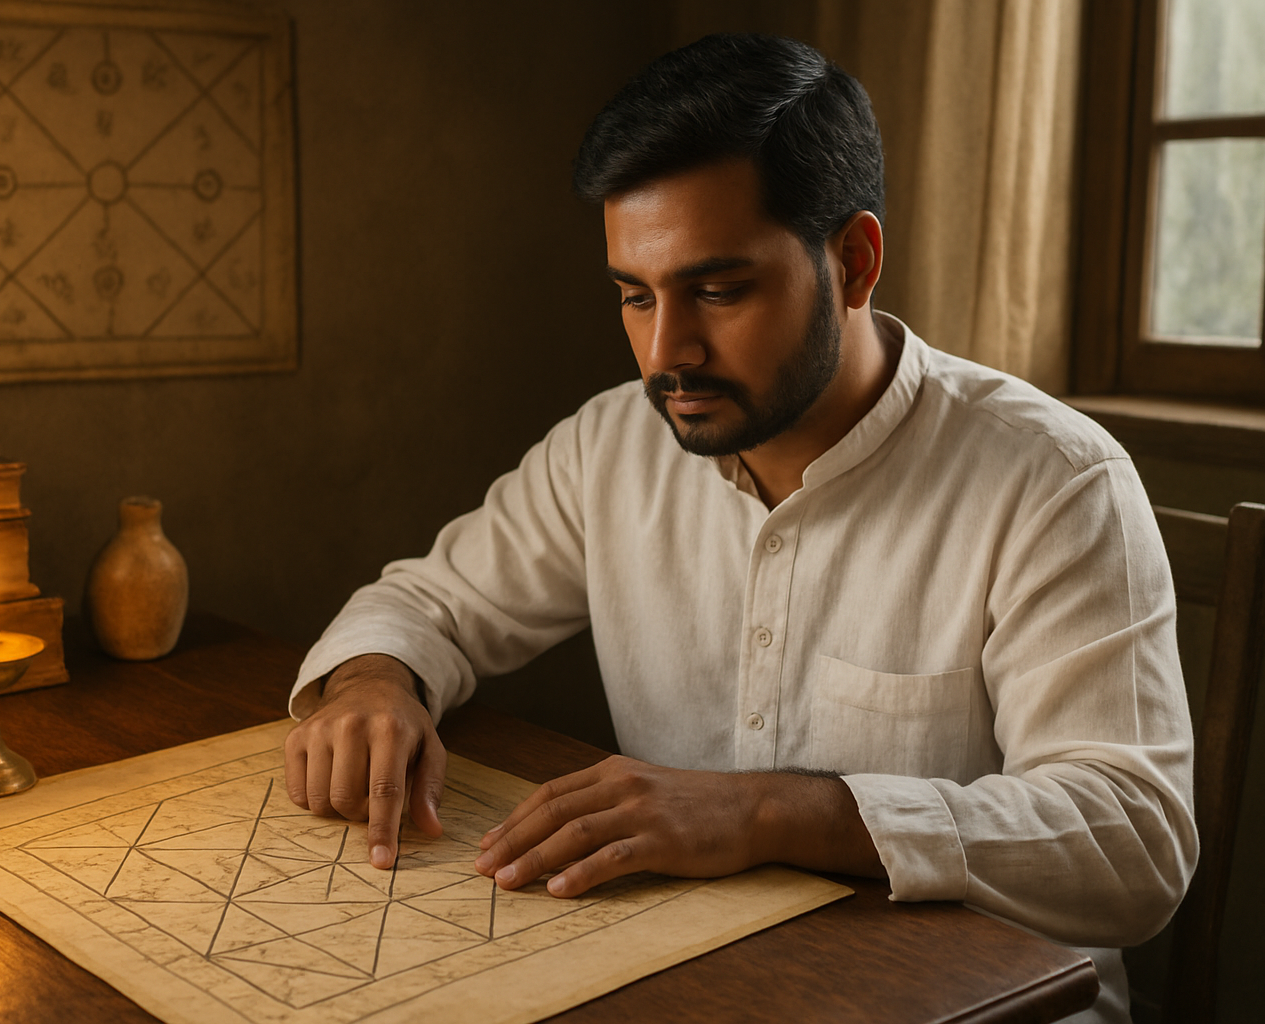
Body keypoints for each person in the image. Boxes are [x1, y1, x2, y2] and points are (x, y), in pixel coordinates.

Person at [282, 33, 1196, 1024]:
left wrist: (768, 808)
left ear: (853, 261)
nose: (665, 351)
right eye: (636, 295)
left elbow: (1131, 841)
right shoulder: (608, 448)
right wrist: (376, 681)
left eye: (717, 289)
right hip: (717, 985)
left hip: (992, 1006)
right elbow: (427, 604)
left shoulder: (1054, 478)